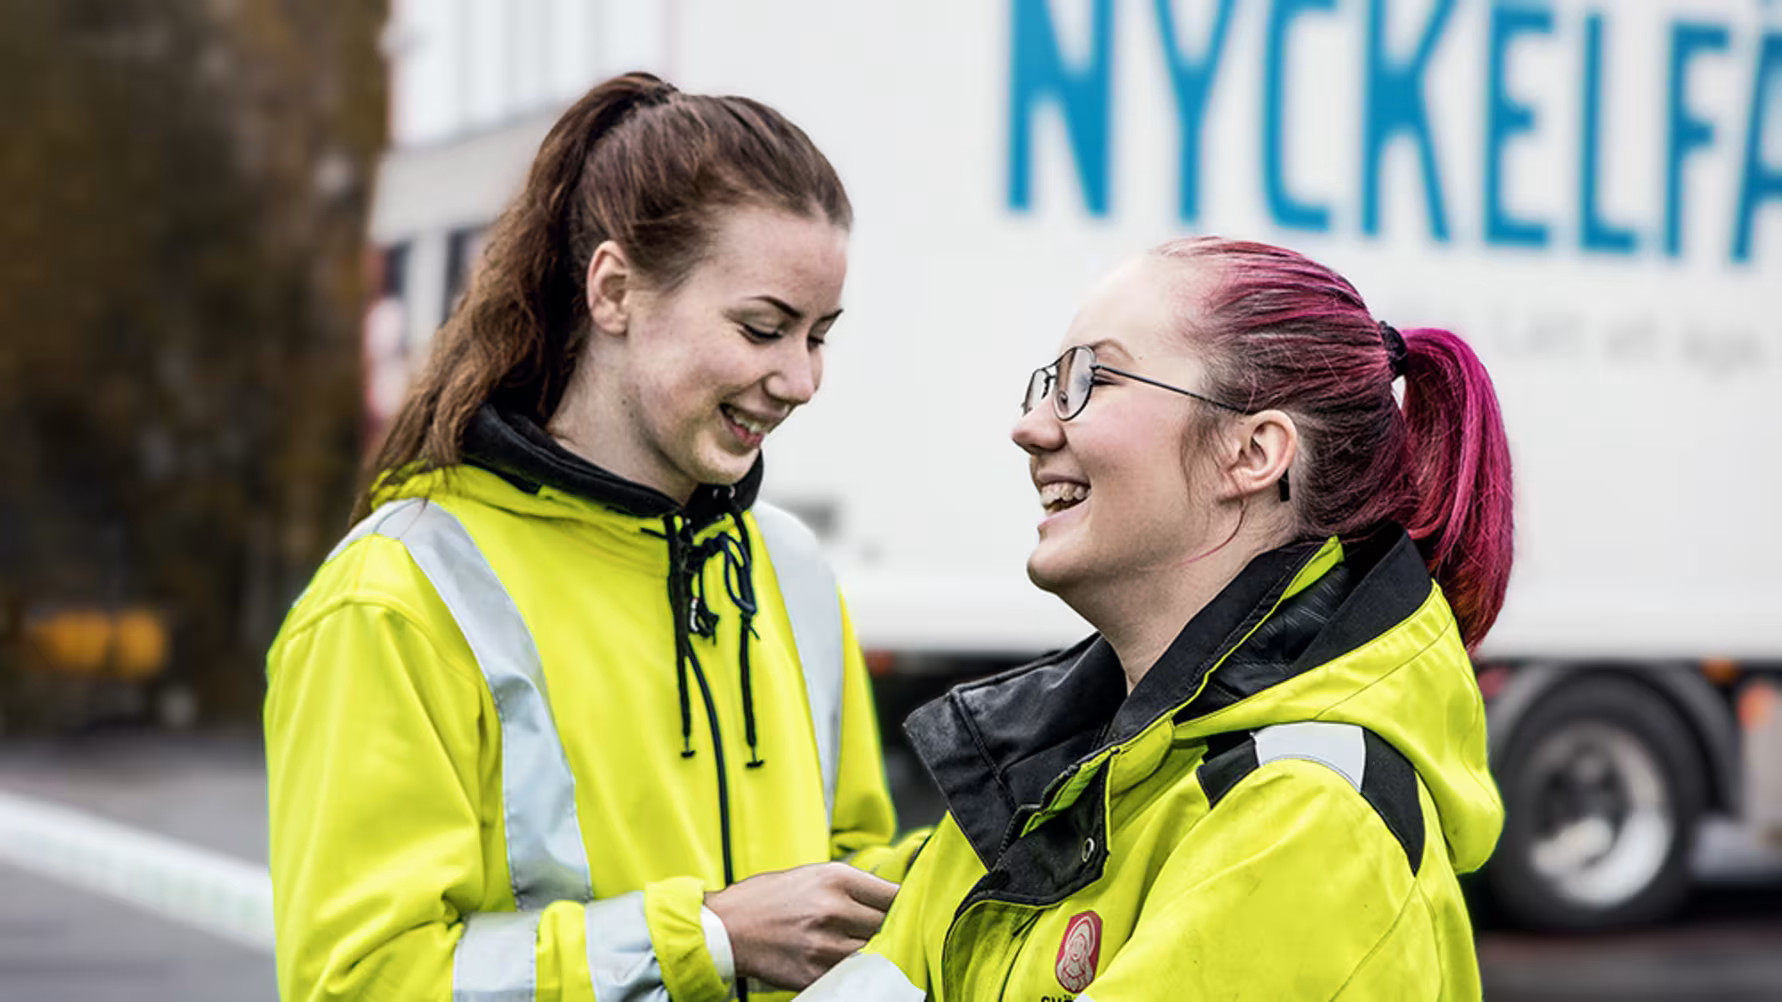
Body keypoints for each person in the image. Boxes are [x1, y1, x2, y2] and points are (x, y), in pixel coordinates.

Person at [265, 72, 926, 1002]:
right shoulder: (396, 597)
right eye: (763, 327)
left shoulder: (790, 570)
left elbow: (850, 885)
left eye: (819, 336)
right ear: (614, 290)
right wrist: (707, 936)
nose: (800, 379)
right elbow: (361, 981)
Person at [799, 237, 1513, 1000]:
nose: (1032, 427)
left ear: (1252, 452)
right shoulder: (1067, 765)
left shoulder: (1307, 819)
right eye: (1047, 383)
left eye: (1089, 380)